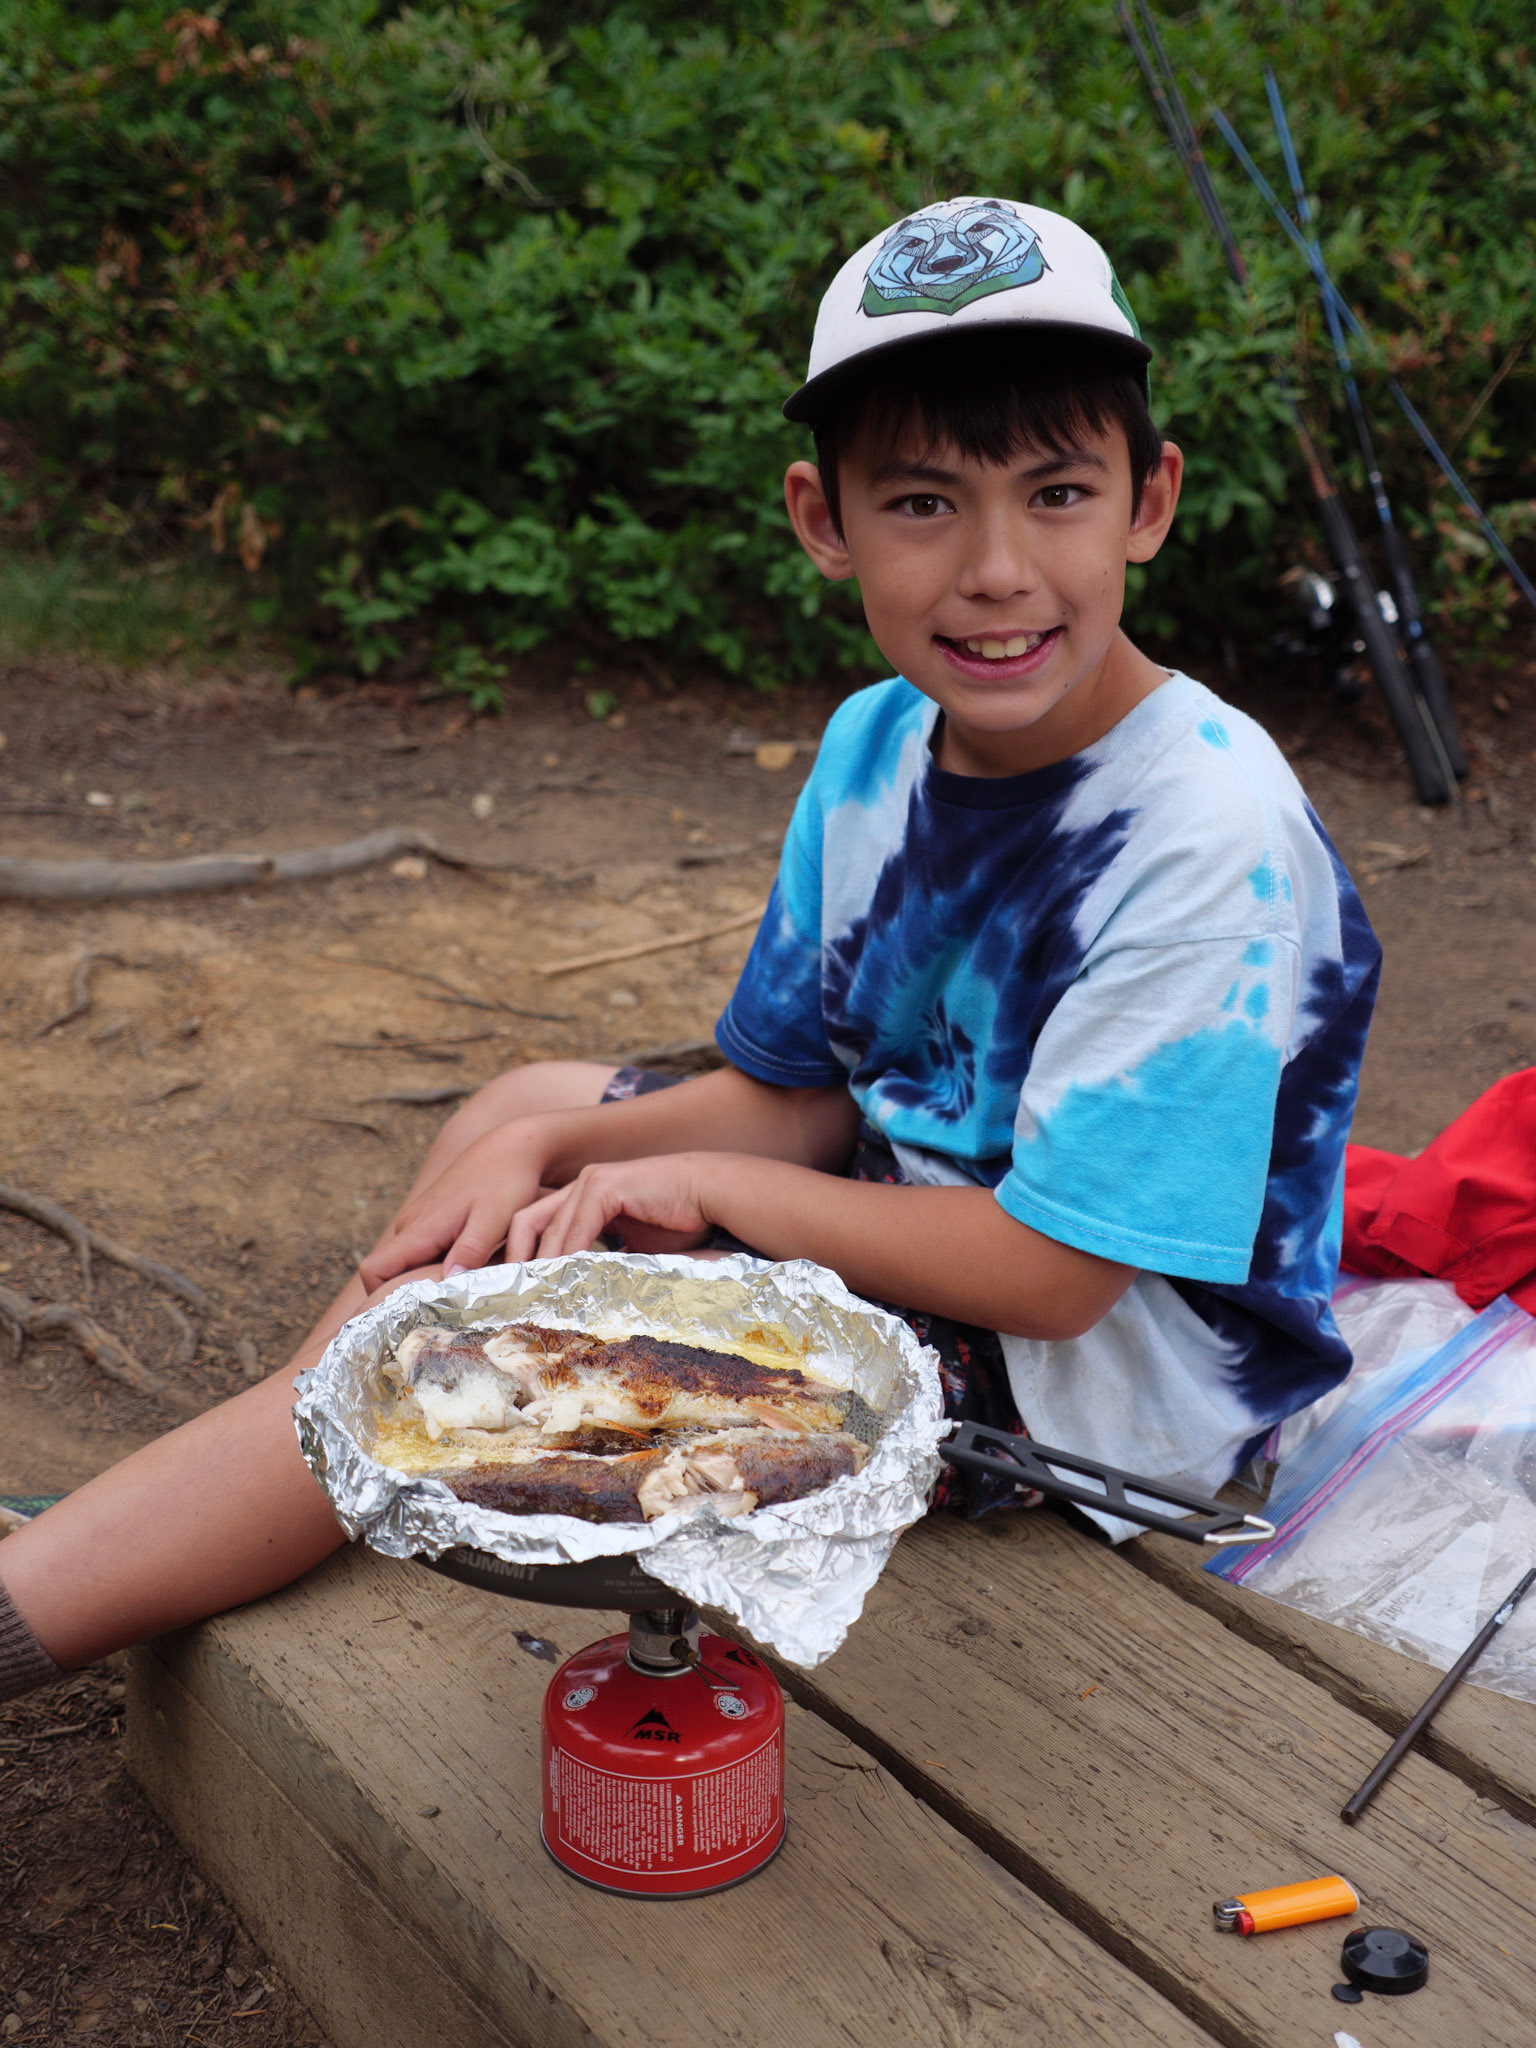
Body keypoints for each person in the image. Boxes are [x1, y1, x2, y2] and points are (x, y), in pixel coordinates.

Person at [0, 196, 1379, 1701]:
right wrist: (545, 1148)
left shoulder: (1207, 833)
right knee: (522, 1112)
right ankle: (304, 1447)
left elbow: (1055, 1278)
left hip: (1101, 1392)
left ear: (1147, 502)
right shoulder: (878, 746)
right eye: (923, 504)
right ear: (824, 521)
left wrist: (708, 1191)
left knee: (540, 1296)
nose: (997, 568)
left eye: (1057, 494)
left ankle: (87, 1572)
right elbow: (796, 1094)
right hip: (922, 1212)